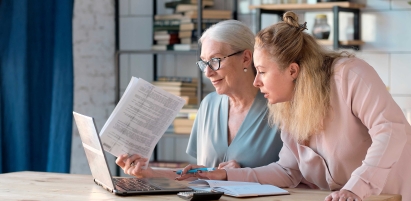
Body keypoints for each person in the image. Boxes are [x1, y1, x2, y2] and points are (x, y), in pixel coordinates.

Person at [176, 11, 411, 201]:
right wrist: (225, 175)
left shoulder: (349, 75)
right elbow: (287, 171)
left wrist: (355, 189)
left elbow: (391, 129)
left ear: (292, 70)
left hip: (391, 196)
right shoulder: (288, 105)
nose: (256, 82)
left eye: (263, 72)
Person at [115, 20, 283, 179]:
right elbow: (200, 176)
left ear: (246, 58)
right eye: (204, 63)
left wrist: (239, 176)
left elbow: (293, 176)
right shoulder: (208, 105)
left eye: (215, 60)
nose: (207, 73)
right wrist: (149, 172)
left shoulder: (280, 107)